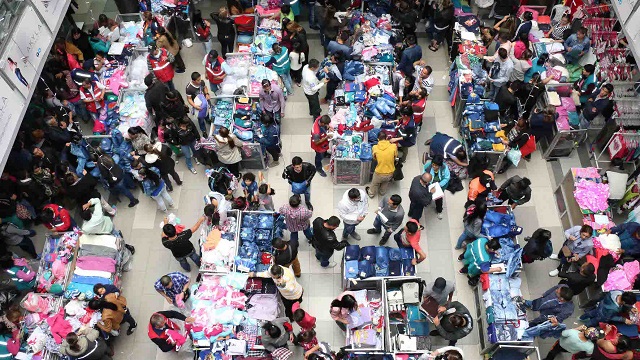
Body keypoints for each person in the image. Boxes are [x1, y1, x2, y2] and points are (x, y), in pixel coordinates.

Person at [366, 132, 397, 198]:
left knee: (374, 184)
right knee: (385, 183)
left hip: (379, 171)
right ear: (386, 138)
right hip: (390, 171)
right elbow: (395, 156)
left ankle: (371, 194)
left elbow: (374, 158)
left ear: (378, 139)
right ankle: (382, 192)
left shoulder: (375, 147)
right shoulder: (393, 146)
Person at [423, 155, 450, 220]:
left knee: (439, 199)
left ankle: (439, 211)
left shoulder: (444, 168)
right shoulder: (427, 167)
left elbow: (446, 178)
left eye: (436, 165)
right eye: (433, 164)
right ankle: (428, 201)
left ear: (440, 165)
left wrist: (438, 186)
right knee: (428, 195)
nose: (434, 166)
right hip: (429, 185)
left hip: (440, 186)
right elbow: (424, 176)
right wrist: (429, 184)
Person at [185, 72, 211, 136]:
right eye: (198, 80)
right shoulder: (189, 88)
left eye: (200, 79)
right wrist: (194, 106)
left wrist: (207, 94)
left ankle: (207, 120)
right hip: (198, 105)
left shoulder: (201, 82)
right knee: (201, 119)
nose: (200, 81)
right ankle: (203, 130)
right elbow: (189, 99)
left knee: (207, 112)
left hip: (205, 101)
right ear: (193, 81)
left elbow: (205, 87)